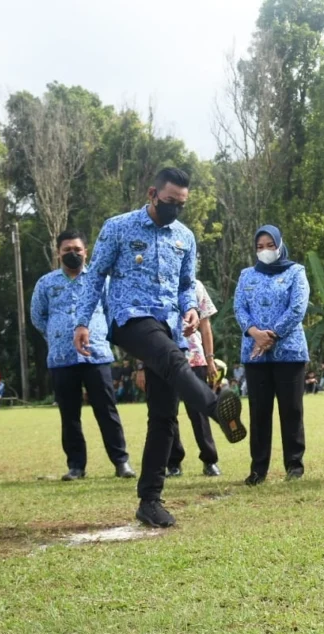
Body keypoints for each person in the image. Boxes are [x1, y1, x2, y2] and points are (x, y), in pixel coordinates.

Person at [74, 167, 246, 529]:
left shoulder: (185, 237)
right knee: (171, 359)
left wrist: (190, 310)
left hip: (169, 325)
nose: (175, 209)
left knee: (164, 414)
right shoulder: (118, 227)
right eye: (169, 202)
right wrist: (82, 322)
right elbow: (94, 278)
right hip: (129, 318)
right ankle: (215, 408)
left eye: (181, 204)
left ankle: (149, 500)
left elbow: (187, 285)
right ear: (152, 193)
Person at [31, 230, 135, 481]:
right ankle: (76, 466)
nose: (72, 254)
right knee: (69, 415)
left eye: (77, 249)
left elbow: (113, 313)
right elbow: (38, 316)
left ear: (86, 252)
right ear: (58, 253)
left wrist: (101, 335)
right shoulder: (46, 283)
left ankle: (121, 462)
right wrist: (57, 336)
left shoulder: (101, 280)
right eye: (67, 250)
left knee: (107, 411)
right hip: (61, 358)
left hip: (96, 355)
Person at [234, 225, 310, 485]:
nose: (264, 251)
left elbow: (298, 307)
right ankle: (258, 469)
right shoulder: (246, 275)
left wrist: (272, 336)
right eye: (259, 246)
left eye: (269, 245)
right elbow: (239, 308)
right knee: (259, 412)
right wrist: (255, 333)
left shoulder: (295, 272)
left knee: (291, 410)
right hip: (255, 354)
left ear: (279, 244)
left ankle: (294, 465)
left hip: (289, 352)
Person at [167, 279, 224, 478]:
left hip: (194, 358)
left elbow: (206, 326)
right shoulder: (156, 281)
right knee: (167, 413)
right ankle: (173, 463)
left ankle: (210, 460)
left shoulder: (196, 286)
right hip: (163, 357)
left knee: (199, 412)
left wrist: (210, 360)